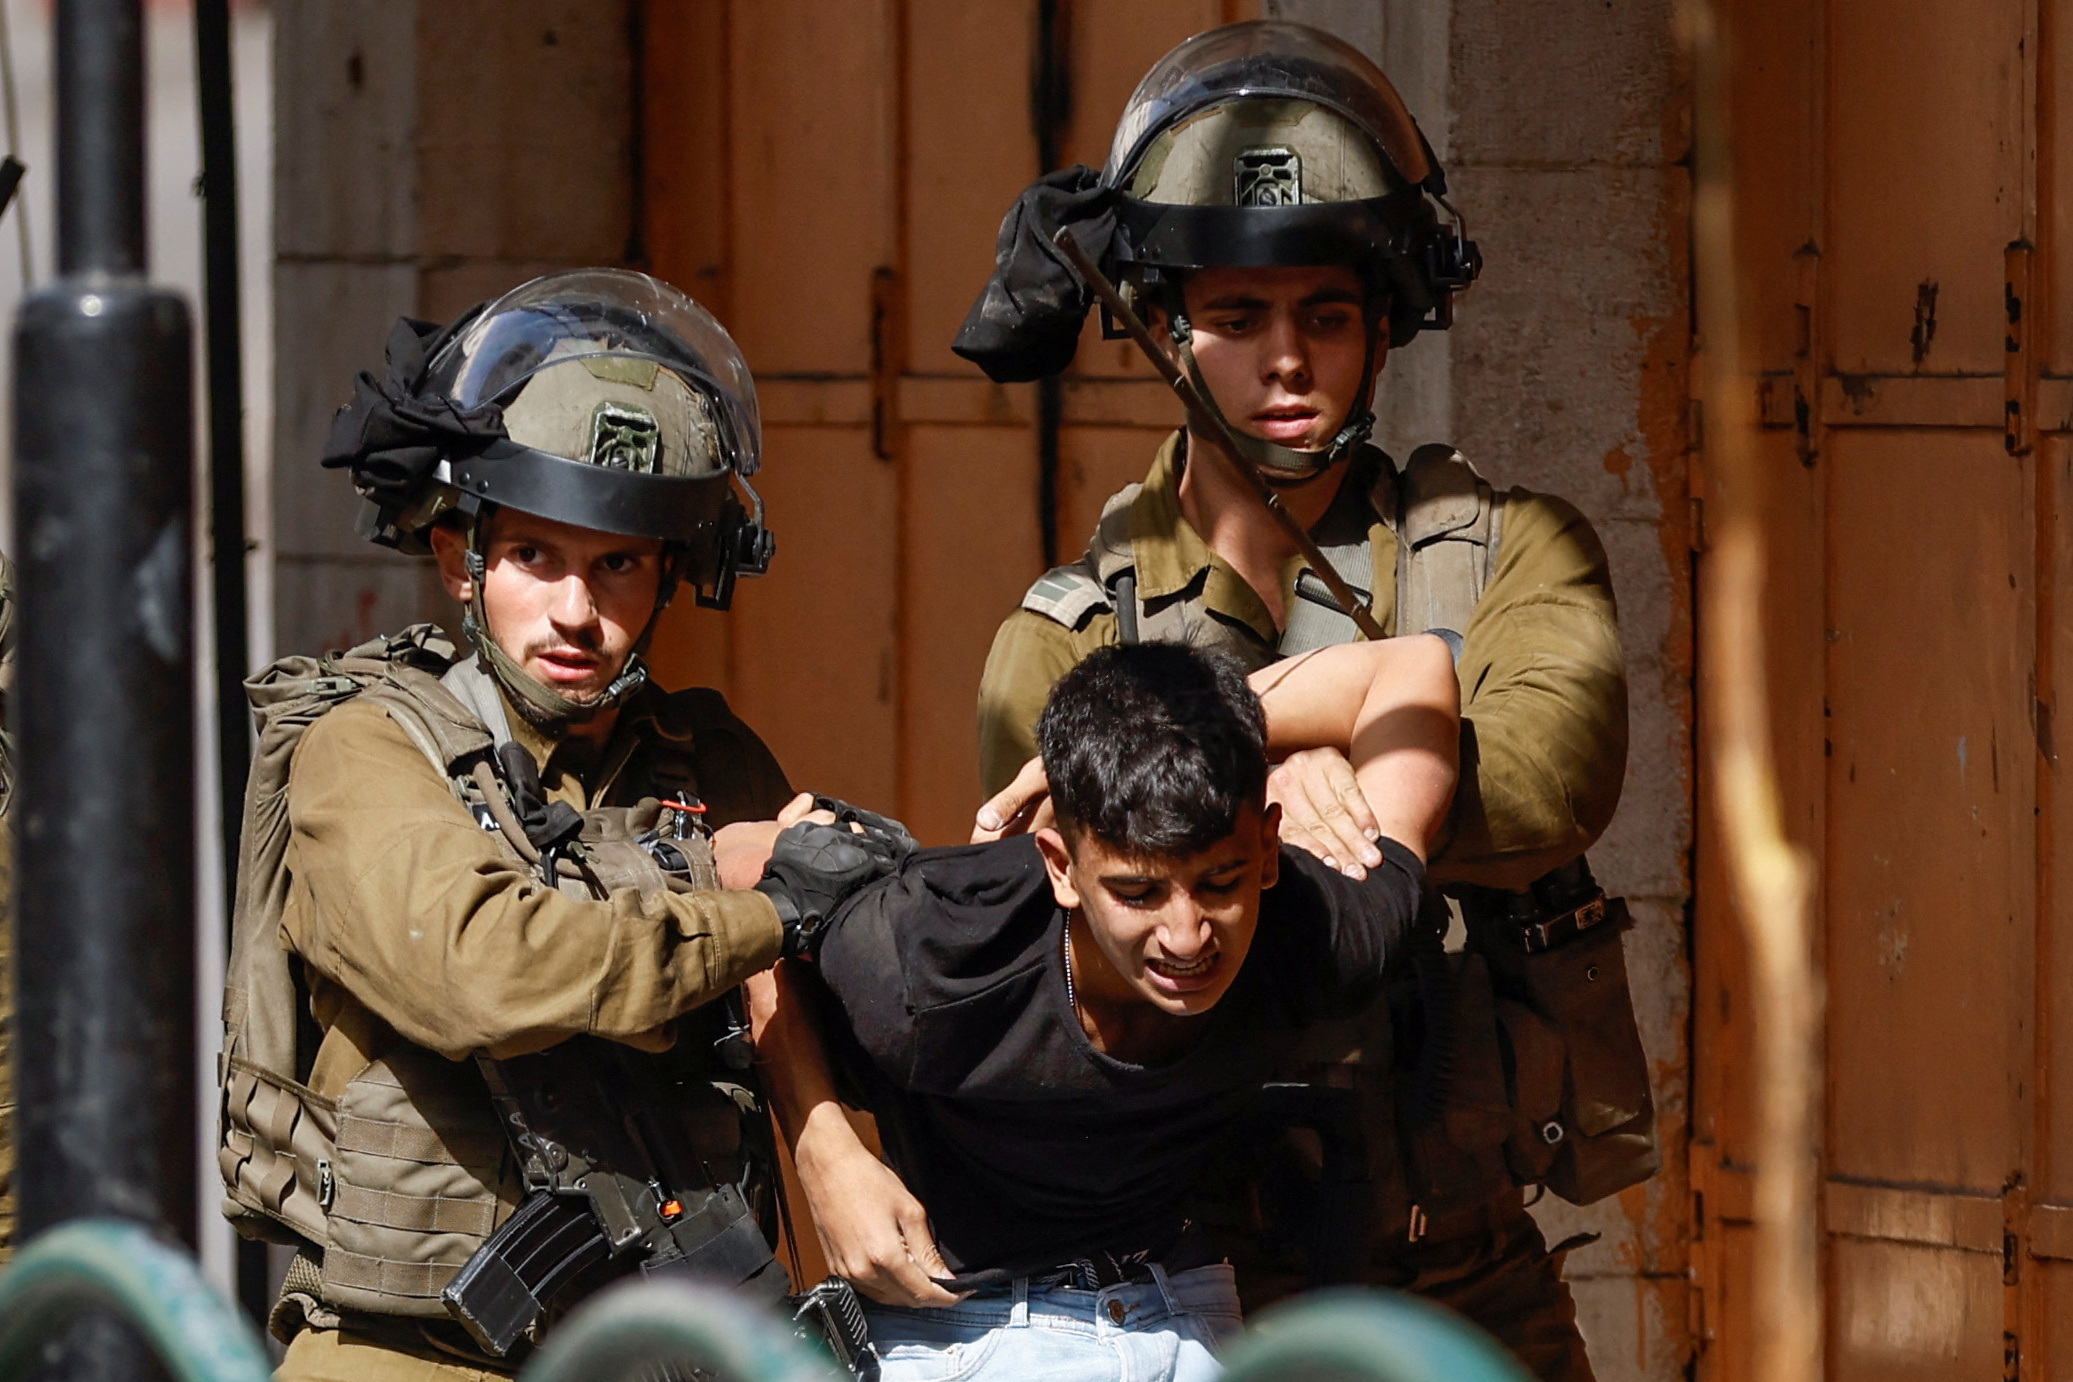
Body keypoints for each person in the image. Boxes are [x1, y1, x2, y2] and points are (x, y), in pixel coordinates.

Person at [791, 21, 1651, 1382]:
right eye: (1239, 317)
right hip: (1195, 1281)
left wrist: (1241, 750)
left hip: (1467, 1267)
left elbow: (1545, 780)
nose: (1287, 359)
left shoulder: (1503, 547)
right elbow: (1076, 898)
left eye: (1325, 313)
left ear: (1383, 323)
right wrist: (1303, 755)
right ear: (1171, 329)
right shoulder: (1066, 629)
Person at [216, 269, 899, 1381]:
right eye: (537, 556)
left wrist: (833, 1137)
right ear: (461, 556)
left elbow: (801, 987)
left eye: (618, 564)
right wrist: (755, 910)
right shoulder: (367, 747)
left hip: (665, 1336)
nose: (578, 611)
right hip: (417, 1348)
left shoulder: (705, 759)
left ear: (672, 570)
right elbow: (483, 969)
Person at [754, 636, 1459, 1382]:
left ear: (1266, 848)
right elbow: (738, 867)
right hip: (960, 1328)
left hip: (1178, 1309)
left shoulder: (1318, 930)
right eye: (1137, 893)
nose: (1187, 938)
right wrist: (821, 1145)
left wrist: (1152, 730)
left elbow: (1413, 668)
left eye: (1220, 884)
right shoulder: (937, 947)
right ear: (1062, 867)